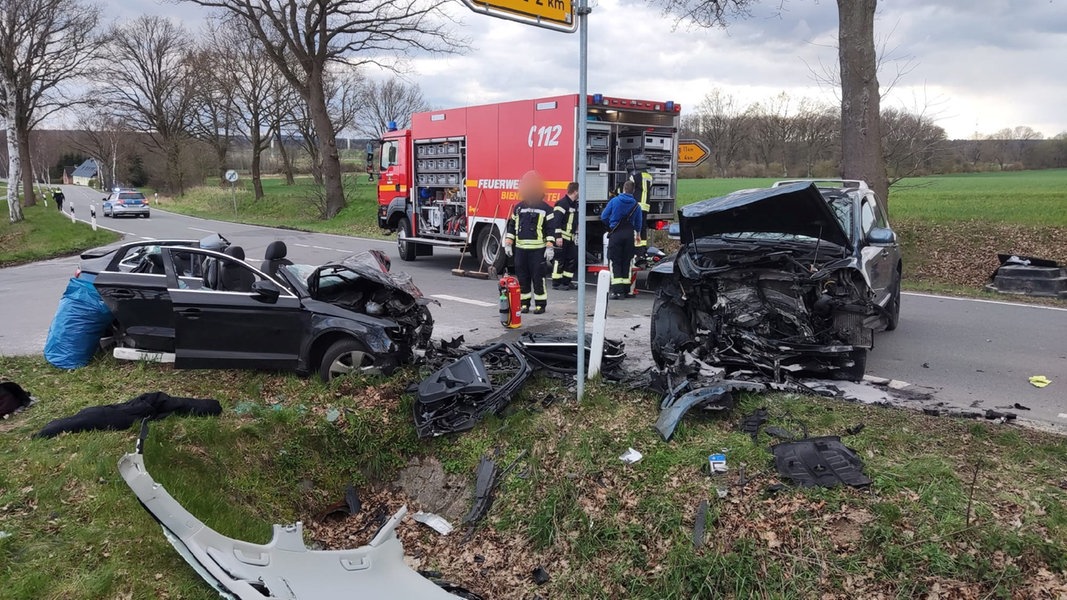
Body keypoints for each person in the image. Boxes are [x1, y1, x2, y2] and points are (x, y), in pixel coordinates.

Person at [504, 171, 557, 314]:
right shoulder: (519, 207)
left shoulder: (546, 208)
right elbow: (512, 226)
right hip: (520, 250)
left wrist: (550, 246)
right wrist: (508, 242)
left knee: (538, 278)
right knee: (522, 278)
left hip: (537, 251)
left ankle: (540, 304)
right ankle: (524, 303)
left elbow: (551, 229)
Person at [600, 180, 643, 300]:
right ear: (633, 191)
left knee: (615, 261)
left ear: (623, 189)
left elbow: (604, 216)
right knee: (627, 261)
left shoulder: (615, 201)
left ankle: (617, 291)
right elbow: (639, 223)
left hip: (616, 234)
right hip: (629, 235)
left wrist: (610, 226)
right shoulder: (636, 205)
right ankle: (626, 290)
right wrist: (638, 234)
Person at [550, 182, 580, 290]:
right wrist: (558, 236)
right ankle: (556, 283)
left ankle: (566, 282)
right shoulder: (561, 204)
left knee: (572, 259)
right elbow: (556, 221)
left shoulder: (574, 204)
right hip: (561, 237)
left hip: (570, 238)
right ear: (575, 191)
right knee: (559, 260)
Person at [626, 157, 653, 256]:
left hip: (637, 204)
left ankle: (636, 248)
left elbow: (629, 185)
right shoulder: (649, 177)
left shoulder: (636, 177)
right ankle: (642, 248)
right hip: (646, 205)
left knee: (635, 226)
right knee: (643, 226)